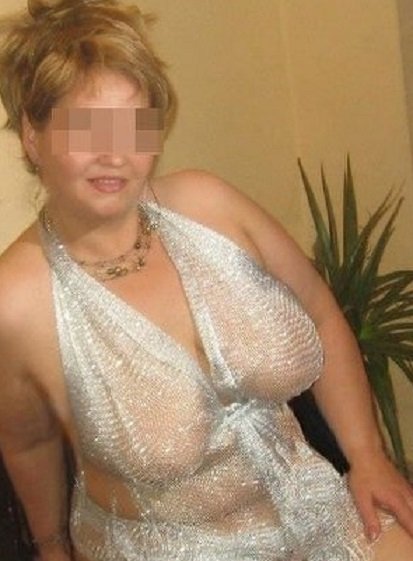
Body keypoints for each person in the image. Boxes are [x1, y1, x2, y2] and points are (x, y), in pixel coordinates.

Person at [0, 1, 412, 560]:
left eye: (133, 125)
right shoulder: (17, 299)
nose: (114, 154)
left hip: (311, 505)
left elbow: (320, 315)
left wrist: (367, 456)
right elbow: (29, 441)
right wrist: (52, 548)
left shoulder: (209, 205)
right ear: (33, 135)